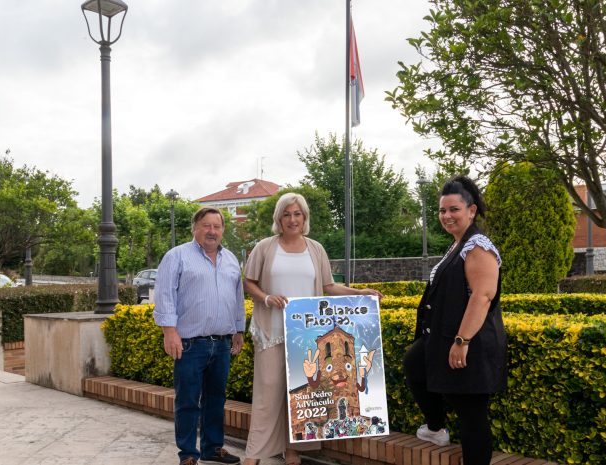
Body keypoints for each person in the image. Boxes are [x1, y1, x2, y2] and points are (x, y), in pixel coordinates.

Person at [241, 192, 383, 465]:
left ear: (304, 218)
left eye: (297, 214)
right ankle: (255, 453)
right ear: (278, 218)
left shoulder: (315, 249)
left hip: (306, 335)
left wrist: (360, 291)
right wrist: (267, 298)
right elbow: (249, 282)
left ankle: (293, 450)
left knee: (304, 394)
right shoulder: (265, 247)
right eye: (286, 214)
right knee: (267, 393)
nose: (292, 219)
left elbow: (329, 287)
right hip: (272, 331)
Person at [404, 176, 507, 465]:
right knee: (415, 362)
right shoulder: (458, 244)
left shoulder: (478, 247)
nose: (446, 216)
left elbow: (483, 296)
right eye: (442, 211)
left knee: (471, 413)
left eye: (454, 210)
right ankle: (436, 427)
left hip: (471, 341)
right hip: (443, 336)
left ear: (471, 211)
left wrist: (462, 341)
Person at [154, 207, 246, 465]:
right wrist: (169, 332)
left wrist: (239, 330)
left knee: (216, 399)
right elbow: (165, 295)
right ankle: (188, 454)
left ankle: (212, 448)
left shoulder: (230, 260)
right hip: (190, 344)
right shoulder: (177, 256)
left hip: (222, 343)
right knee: (188, 401)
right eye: (206, 225)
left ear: (222, 230)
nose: (212, 231)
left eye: (217, 226)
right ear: (195, 228)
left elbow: (237, 297)